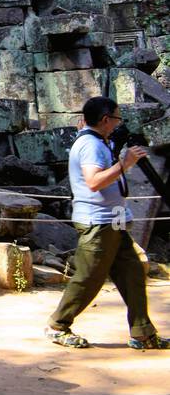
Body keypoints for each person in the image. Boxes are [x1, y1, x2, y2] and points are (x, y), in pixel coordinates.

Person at [45, 96, 168, 350]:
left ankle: (142, 332)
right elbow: (93, 181)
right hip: (98, 223)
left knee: (133, 273)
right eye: (117, 118)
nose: (118, 123)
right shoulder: (90, 145)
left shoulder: (100, 142)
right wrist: (125, 164)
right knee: (89, 277)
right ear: (105, 120)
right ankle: (57, 325)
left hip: (112, 221)